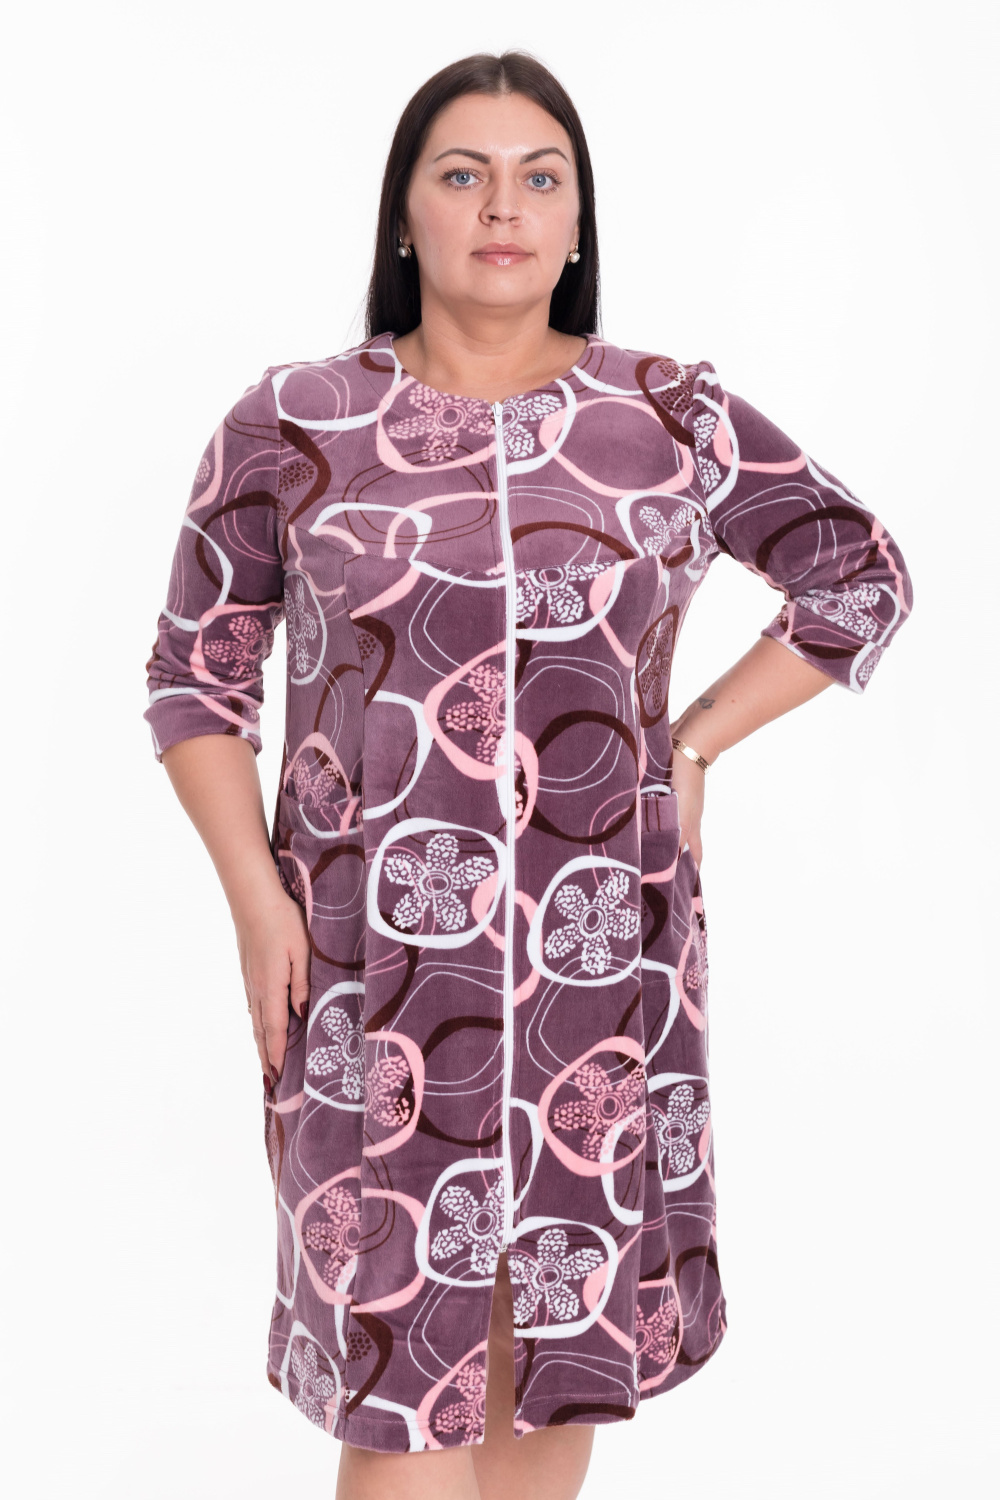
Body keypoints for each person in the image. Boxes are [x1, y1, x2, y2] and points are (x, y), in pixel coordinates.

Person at [143, 48, 913, 1500]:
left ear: (575, 222)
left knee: (557, 1337)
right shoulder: (294, 420)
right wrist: (254, 895)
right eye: (464, 173)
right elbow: (195, 673)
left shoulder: (669, 415)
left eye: (539, 178)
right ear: (406, 214)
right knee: (397, 1388)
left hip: (598, 966)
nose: (504, 206)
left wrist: (694, 741)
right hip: (369, 976)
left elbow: (858, 575)